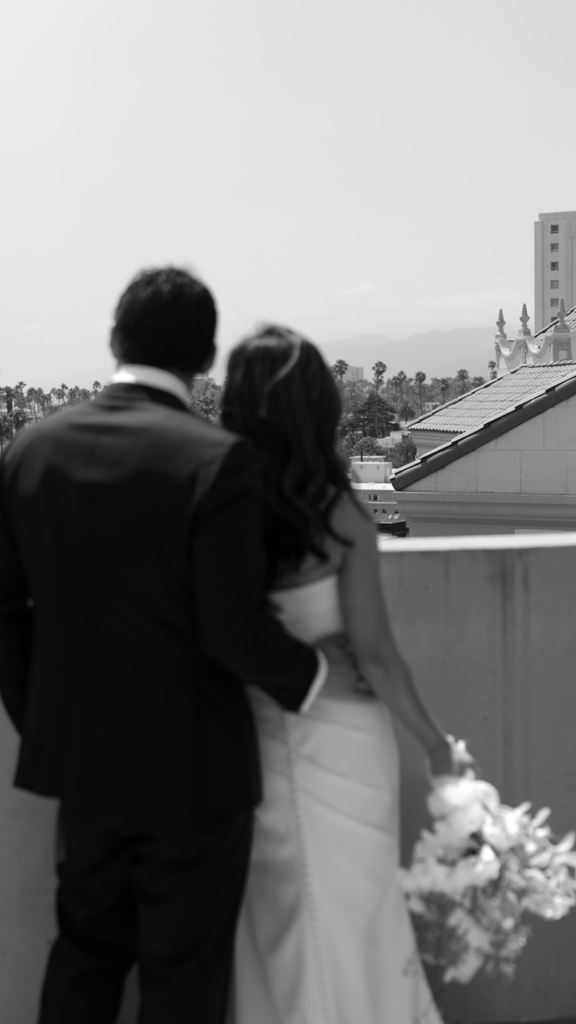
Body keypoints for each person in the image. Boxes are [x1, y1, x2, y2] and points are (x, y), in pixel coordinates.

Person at [0, 268, 351, 1024]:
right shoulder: (219, 459)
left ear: (114, 338)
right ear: (205, 356)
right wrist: (317, 676)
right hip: (195, 770)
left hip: (82, 761)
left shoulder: (33, 448)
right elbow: (233, 626)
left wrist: (39, 715)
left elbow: (6, 609)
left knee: (84, 954)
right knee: (183, 979)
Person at [221, 325, 473, 1024]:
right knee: (359, 913)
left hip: (256, 733)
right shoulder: (337, 512)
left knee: (279, 919)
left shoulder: (216, 506)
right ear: (319, 408)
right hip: (347, 737)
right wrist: (435, 744)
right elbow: (378, 653)